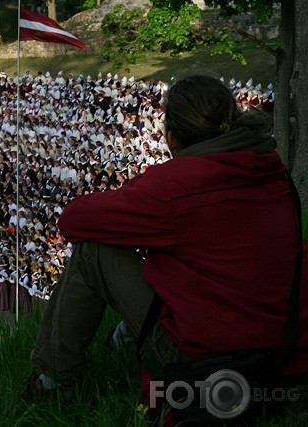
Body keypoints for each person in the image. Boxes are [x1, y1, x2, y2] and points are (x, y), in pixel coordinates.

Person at [26, 75, 308, 398]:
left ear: (171, 139)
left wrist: (137, 196)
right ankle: (120, 341)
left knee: (94, 249)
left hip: (215, 360)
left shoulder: (176, 186)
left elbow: (72, 221)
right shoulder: (272, 168)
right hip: (285, 346)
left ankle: (54, 383)